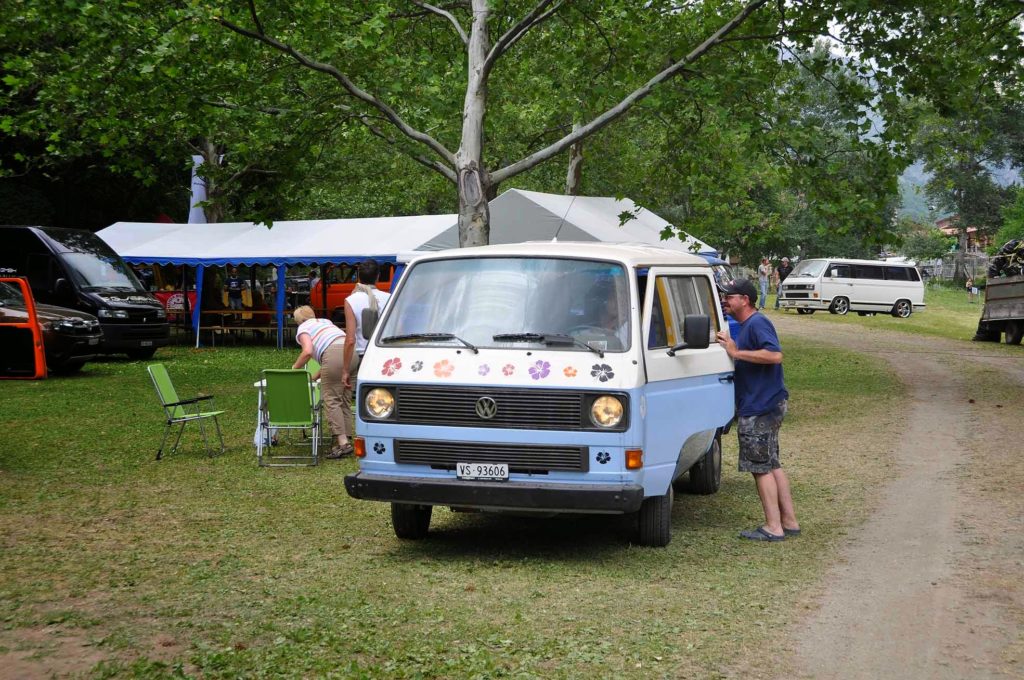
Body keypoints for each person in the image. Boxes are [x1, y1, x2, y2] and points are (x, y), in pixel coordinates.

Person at [715, 278, 800, 542]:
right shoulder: (746, 325)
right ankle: (789, 522)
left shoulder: (757, 323)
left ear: (745, 300)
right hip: (768, 403)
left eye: (730, 296)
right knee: (771, 463)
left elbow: (775, 355)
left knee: (760, 467)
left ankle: (773, 527)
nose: (725, 301)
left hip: (760, 406)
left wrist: (736, 352)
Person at [292, 305, 351, 459]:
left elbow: (308, 351)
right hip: (351, 354)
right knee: (344, 399)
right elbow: (329, 365)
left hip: (334, 353)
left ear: (299, 321)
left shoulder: (303, 328)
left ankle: (342, 443)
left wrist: (294, 369)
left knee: (332, 400)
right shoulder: (325, 322)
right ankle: (347, 438)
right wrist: (313, 378)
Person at [342, 260, 391, 424]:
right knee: (385, 398)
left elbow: (350, 340)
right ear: (378, 277)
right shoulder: (389, 298)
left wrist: (345, 370)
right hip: (385, 356)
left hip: (363, 356)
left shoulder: (351, 300)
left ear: (358, 277)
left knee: (364, 399)